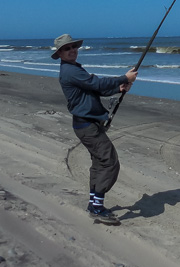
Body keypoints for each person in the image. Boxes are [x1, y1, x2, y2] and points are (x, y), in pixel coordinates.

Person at [52, 34, 138, 225]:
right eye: (67, 48)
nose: (72, 50)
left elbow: (94, 90)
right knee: (109, 162)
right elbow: (96, 83)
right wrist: (124, 77)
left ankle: (95, 204)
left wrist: (119, 88)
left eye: (74, 46)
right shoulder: (69, 71)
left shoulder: (75, 69)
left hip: (89, 124)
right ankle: (97, 208)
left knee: (100, 164)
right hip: (86, 126)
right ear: (59, 53)